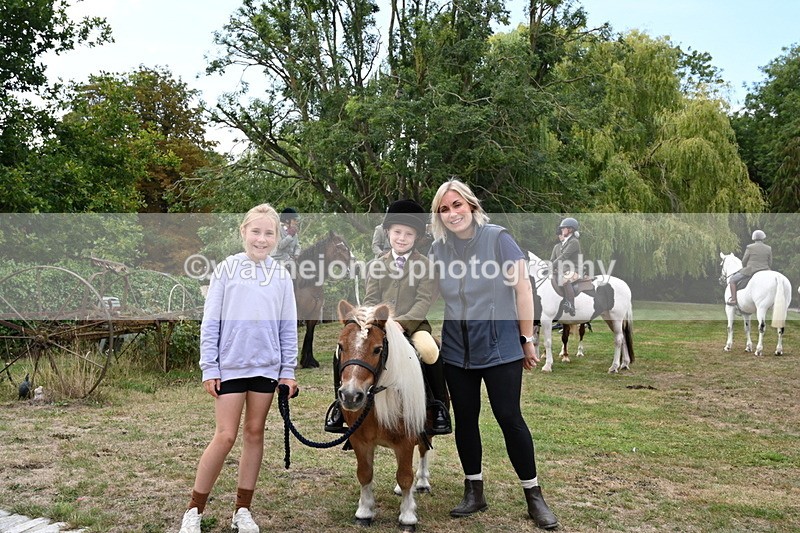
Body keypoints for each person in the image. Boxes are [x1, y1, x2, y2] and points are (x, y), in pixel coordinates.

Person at [429, 179, 558, 529]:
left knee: (509, 418)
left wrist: (526, 337)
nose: (452, 213)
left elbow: (522, 288)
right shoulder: (438, 249)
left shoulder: (498, 238)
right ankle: (474, 491)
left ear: (470, 205)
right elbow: (424, 290)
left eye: (456, 205)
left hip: (501, 347)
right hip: (456, 351)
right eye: (444, 209)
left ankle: (534, 497)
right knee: (466, 419)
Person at [178, 204, 298, 533]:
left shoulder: (282, 276)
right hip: (230, 367)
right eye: (255, 231)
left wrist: (288, 370)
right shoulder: (227, 269)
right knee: (226, 435)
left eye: (268, 233)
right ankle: (194, 509)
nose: (262, 239)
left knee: (254, 433)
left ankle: (242, 510)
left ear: (277, 237)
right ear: (243, 232)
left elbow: (288, 328)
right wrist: (209, 367)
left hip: (266, 368)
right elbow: (211, 322)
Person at [324, 199, 452, 436]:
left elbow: (423, 301)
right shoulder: (376, 265)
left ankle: (439, 405)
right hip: (377, 325)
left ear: (417, 238)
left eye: (408, 234)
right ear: (388, 233)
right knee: (339, 351)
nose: (401, 238)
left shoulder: (426, 265)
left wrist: (401, 323)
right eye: (397, 233)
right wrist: (373, 320)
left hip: (412, 326)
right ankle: (340, 407)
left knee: (429, 350)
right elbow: (371, 298)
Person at [727, 229, 772, 306]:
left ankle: (733, 300)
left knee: (732, 280)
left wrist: (745, 267)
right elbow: (770, 262)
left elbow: (744, 261)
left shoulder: (750, 247)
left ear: (754, 238)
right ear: (763, 238)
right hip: (766, 270)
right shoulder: (768, 248)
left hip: (751, 270)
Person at [551, 217, 582, 316]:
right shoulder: (563, 244)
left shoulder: (574, 242)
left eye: (563, 228)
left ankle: (571, 305)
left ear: (570, 229)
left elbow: (564, 256)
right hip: (563, 270)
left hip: (575, 270)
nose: (561, 230)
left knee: (565, 280)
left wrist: (552, 265)